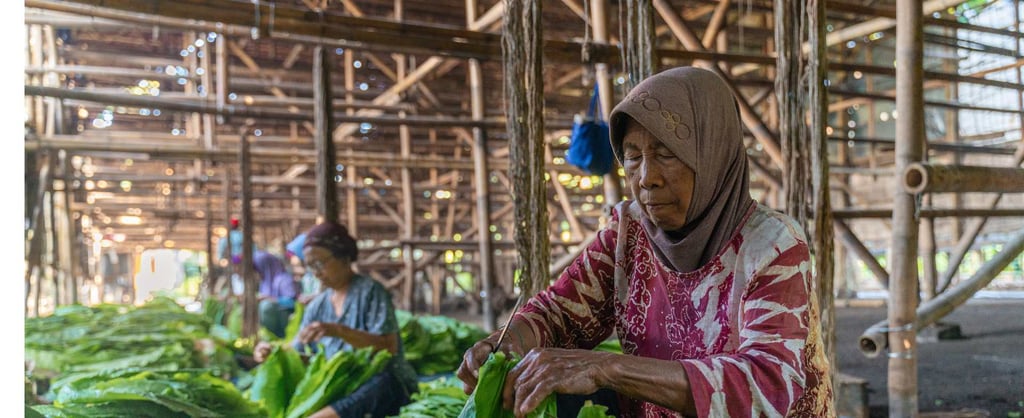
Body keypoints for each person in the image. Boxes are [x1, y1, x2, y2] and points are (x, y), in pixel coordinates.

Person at [457, 67, 834, 418]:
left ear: (712, 154)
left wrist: (608, 367)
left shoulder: (772, 246)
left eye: (667, 154)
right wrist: (505, 346)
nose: (646, 177)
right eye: (633, 157)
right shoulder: (628, 232)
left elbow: (764, 383)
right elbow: (559, 314)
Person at [252, 221, 417, 418]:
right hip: (339, 388)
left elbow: (389, 347)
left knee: (384, 382)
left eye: (320, 263)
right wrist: (273, 352)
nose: (316, 272)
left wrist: (339, 331)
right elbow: (302, 356)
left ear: (344, 257)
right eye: (311, 266)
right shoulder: (317, 306)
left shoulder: (371, 291)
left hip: (378, 386)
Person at [252, 250, 300, 338]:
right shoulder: (265, 282)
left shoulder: (284, 279)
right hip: (275, 318)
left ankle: (274, 337)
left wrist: (269, 299)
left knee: (266, 306)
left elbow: (293, 302)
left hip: (284, 319)